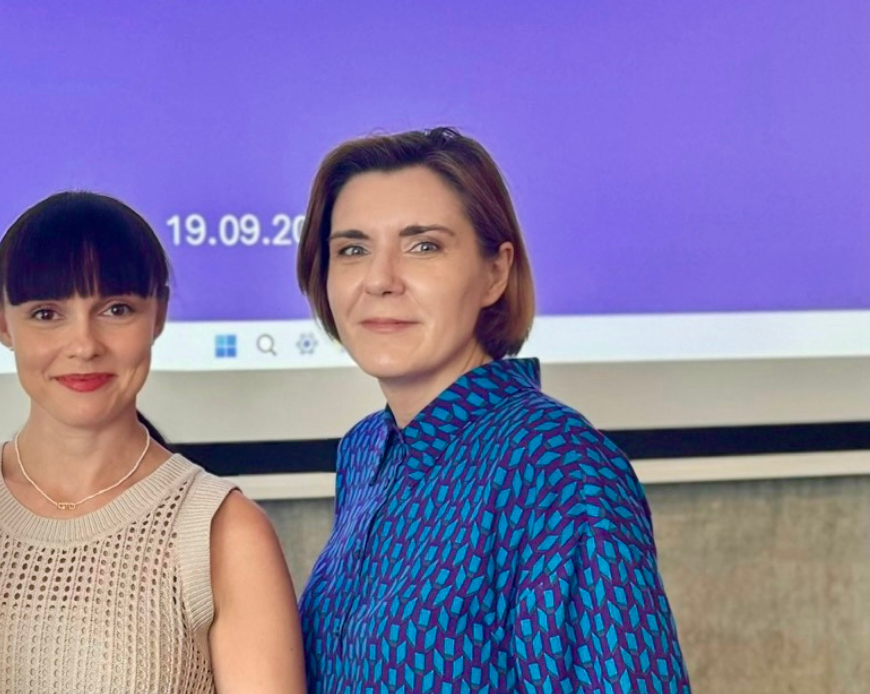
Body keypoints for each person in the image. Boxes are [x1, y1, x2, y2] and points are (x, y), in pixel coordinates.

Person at [294, 128, 691, 693]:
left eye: (423, 246)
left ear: (494, 273)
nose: (379, 280)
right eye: (352, 250)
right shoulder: (364, 451)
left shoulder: (560, 466)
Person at [0, 192, 305, 694]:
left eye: (116, 309)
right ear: (0, 320)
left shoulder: (223, 531)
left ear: (158, 314)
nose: (84, 345)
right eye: (46, 313)